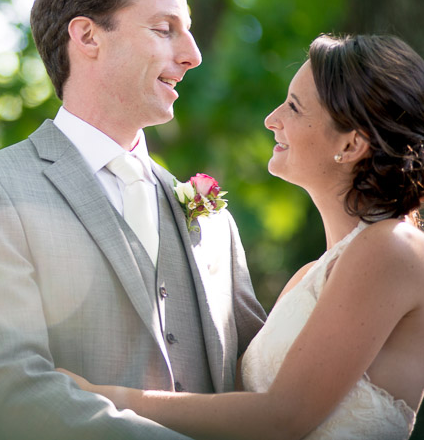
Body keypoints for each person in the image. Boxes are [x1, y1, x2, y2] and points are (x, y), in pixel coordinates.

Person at [0, 0, 266, 440]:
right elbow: (11, 390)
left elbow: (260, 379)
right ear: (88, 36)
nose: (192, 55)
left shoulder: (213, 219)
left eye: (190, 32)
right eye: (164, 29)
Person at [60, 33, 424, 440]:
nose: (273, 118)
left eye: (295, 106)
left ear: (351, 143)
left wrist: (101, 398)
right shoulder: (307, 278)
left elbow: (282, 417)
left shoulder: (394, 247)